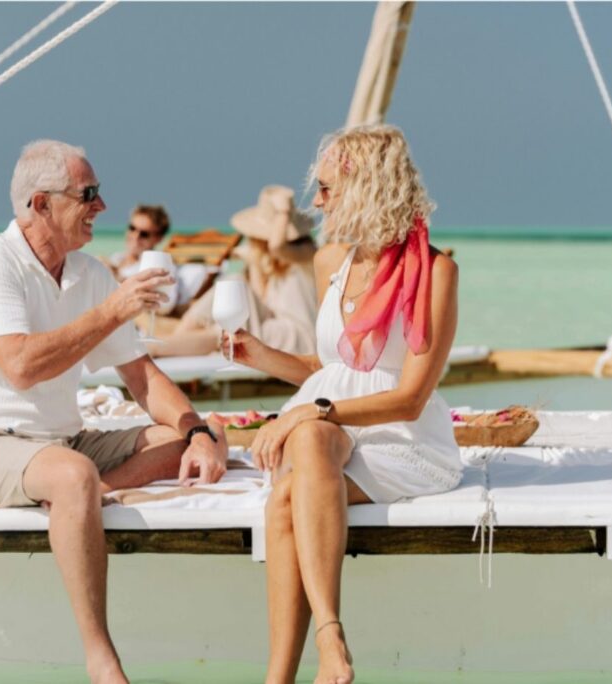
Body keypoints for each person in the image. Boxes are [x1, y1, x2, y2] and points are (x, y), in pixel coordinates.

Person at [0, 139, 227, 684]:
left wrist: (198, 431)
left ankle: (81, 502)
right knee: (74, 473)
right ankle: (101, 658)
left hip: (56, 440)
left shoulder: (88, 273)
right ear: (40, 204)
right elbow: (19, 366)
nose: (101, 206)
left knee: (192, 437)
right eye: (89, 194)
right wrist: (111, 312)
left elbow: (141, 376)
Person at [224, 125, 462, 684]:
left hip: (401, 440)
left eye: (328, 188)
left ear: (368, 189)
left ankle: (327, 638)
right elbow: (327, 370)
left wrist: (315, 412)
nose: (317, 202)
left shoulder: (436, 273)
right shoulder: (330, 261)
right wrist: (258, 355)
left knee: (296, 471)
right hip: (330, 429)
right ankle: (290, 672)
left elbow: (409, 398)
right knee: (295, 475)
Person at [151, 185, 318, 358]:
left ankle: (160, 348)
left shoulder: (307, 253)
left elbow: (277, 246)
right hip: (272, 331)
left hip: (299, 340)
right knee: (234, 284)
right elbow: (262, 303)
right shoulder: (271, 266)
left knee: (226, 329)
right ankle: (175, 339)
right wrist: (254, 264)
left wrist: (283, 213)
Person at [105, 204, 171, 281]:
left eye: (144, 234)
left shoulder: (155, 269)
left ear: (158, 239)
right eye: (132, 228)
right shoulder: (116, 258)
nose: (135, 236)